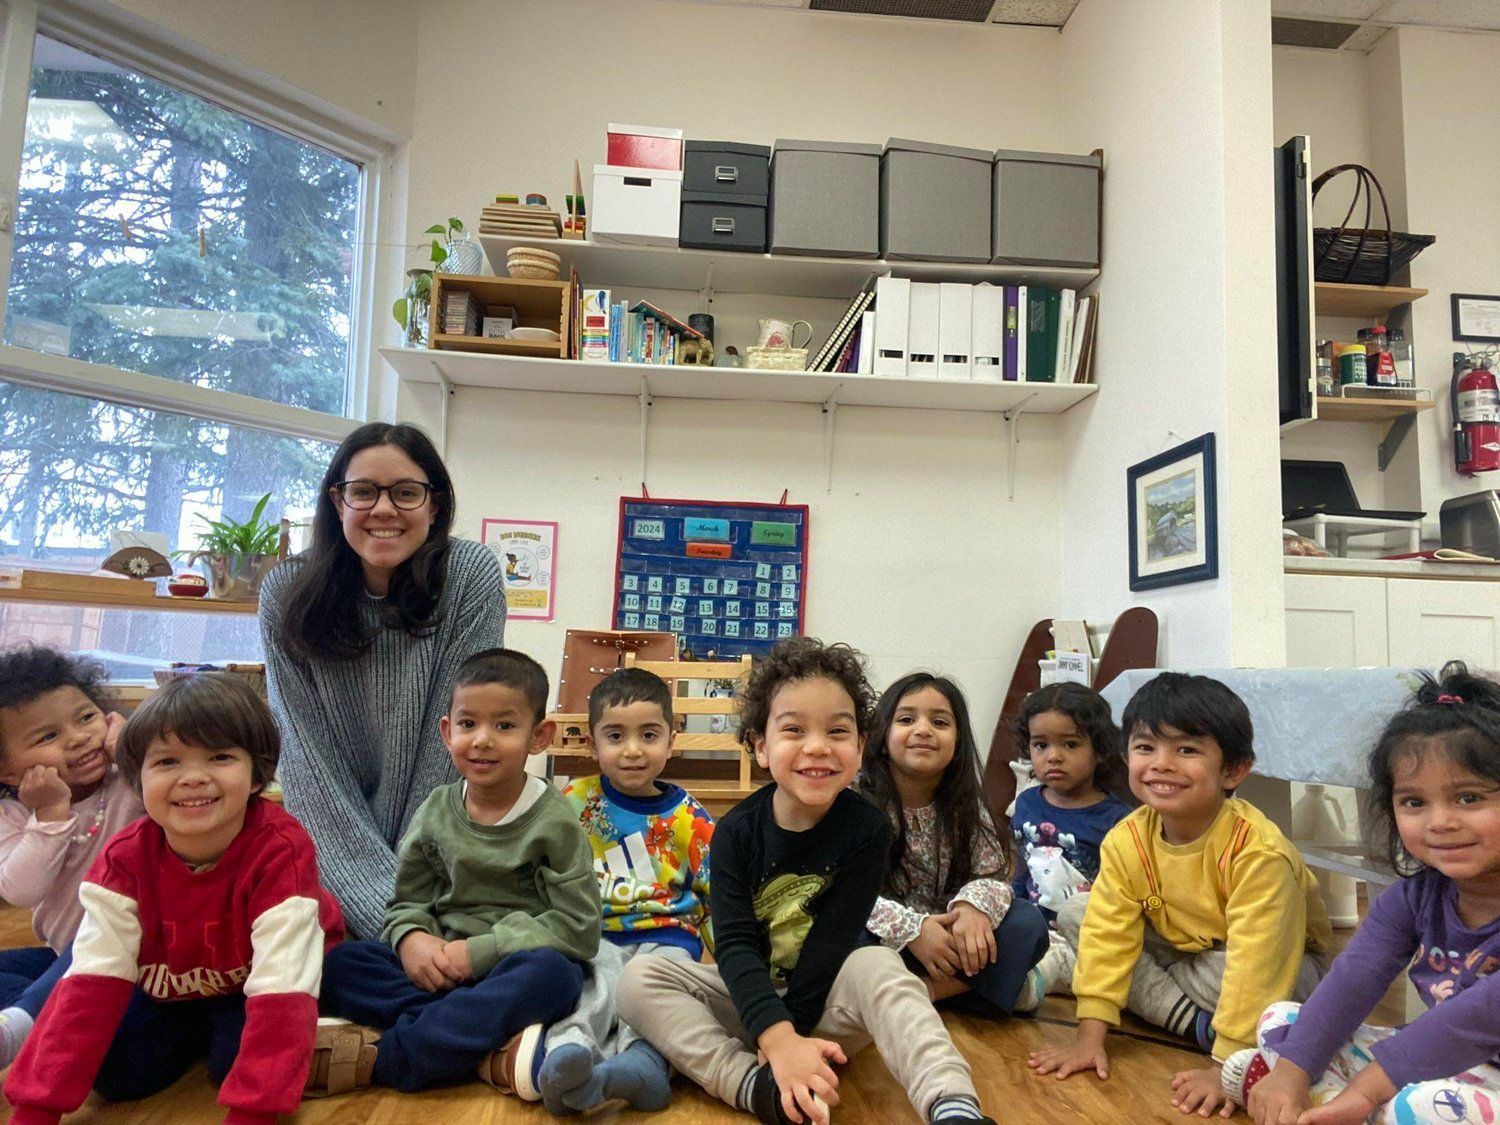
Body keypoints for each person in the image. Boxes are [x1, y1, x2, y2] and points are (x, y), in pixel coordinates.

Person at [619, 636, 997, 1125]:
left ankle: (953, 1105)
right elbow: (734, 944)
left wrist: (793, 1036)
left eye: (838, 732)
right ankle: (755, 1088)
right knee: (638, 979)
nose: (817, 747)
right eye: (793, 729)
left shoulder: (867, 829)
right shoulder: (735, 831)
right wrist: (776, 1041)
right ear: (760, 746)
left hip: (825, 1008)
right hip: (748, 1000)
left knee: (880, 965)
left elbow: (832, 945)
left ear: (861, 748)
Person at [2, 673, 344, 1124]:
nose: (194, 778)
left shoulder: (280, 849)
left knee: (237, 1059)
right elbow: (89, 986)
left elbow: (283, 985)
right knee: (118, 1076)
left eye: (220, 757)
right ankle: (203, 1032)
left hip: (255, 977)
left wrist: (253, 1113)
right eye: (167, 762)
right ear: (138, 778)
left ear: (259, 773)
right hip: (174, 983)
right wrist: (36, 1110)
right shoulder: (124, 859)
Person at [1028, 672, 1331, 1119]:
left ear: (1233, 769)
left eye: (1186, 750)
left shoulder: (1259, 853)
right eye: (1146, 747)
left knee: (1252, 983)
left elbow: (1257, 965)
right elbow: (1110, 933)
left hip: (1277, 969)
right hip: (1181, 950)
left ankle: (1214, 1031)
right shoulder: (1127, 838)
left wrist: (1226, 1067)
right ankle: (1197, 1023)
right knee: (1079, 912)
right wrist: (1088, 1037)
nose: (1161, 764)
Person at [258, 421, 506, 939]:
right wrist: (398, 926)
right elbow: (308, 769)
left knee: (542, 970)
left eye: (407, 493)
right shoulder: (285, 592)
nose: (384, 509)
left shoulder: (469, 577)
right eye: (363, 491)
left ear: (434, 506)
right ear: (336, 501)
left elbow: (453, 750)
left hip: (445, 868)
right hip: (336, 872)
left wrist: (413, 908)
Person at [311, 648, 596, 1097]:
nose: (482, 740)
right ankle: (480, 1047)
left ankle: (391, 1057)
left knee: (556, 976)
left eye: (504, 726)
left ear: (539, 736)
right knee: (341, 964)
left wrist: (478, 954)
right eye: (468, 724)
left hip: (509, 969)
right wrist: (411, 939)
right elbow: (407, 902)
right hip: (439, 971)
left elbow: (579, 929)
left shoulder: (556, 822)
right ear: (447, 732)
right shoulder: (436, 809)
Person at [1228, 661, 1500, 1125]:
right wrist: (1293, 1071)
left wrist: (1365, 1089)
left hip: (1473, 1062)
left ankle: (1343, 1105)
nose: (1440, 822)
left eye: (1468, 798)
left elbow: (1475, 1018)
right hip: (1448, 1059)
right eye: (1414, 802)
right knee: (1283, 1021)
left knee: (1420, 1108)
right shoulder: (1414, 897)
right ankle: (1327, 1102)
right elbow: (1351, 982)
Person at [530, 666, 715, 1115]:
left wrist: (732, 967)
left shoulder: (692, 818)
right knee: (591, 989)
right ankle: (567, 1059)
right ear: (592, 744)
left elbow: (717, 897)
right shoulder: (573, 800)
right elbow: (540, 869)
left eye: (649, 735)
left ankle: (644, 1066)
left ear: (672, 739)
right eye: (615, 736)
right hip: (594, 934)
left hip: (668, 938)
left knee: (655, 1002)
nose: (633, 751)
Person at [858, 672, 1049, 1018]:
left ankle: (923, 993)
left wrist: (972, 909)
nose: (923, 730)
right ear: (882, 738)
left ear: (958, 740)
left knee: (1027, 923)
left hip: (955, 939)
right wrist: (912, 929)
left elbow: (993, 876)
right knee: (838, 933)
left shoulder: (966, 805)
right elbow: (847, 893)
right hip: (889, 939)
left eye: (940, 721)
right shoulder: (856, 803)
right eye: (906, 719)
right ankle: (987, 989)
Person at [0, 646, 142, 1069]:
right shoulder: (13, 815)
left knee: (90, 947)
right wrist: (50, 815)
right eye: (47, 736)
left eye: (86, 717)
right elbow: (22, 890)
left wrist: (135, 753)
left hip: (142, 947)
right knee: (56, 969)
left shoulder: (131, 781)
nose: (79, 737)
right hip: (62, 950)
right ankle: (53, 1011)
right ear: (7, 772)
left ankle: (20, 1027)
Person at [1009, 682, 1131, 1000]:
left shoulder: (1118, 820)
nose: (1054, 757)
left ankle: (1038, 981)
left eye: (1071, 745)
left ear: (1101, 749)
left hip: (1088, 934)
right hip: (1034, 927)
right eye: (1040, 745)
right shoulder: (1026, 804)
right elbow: (1022, 870)